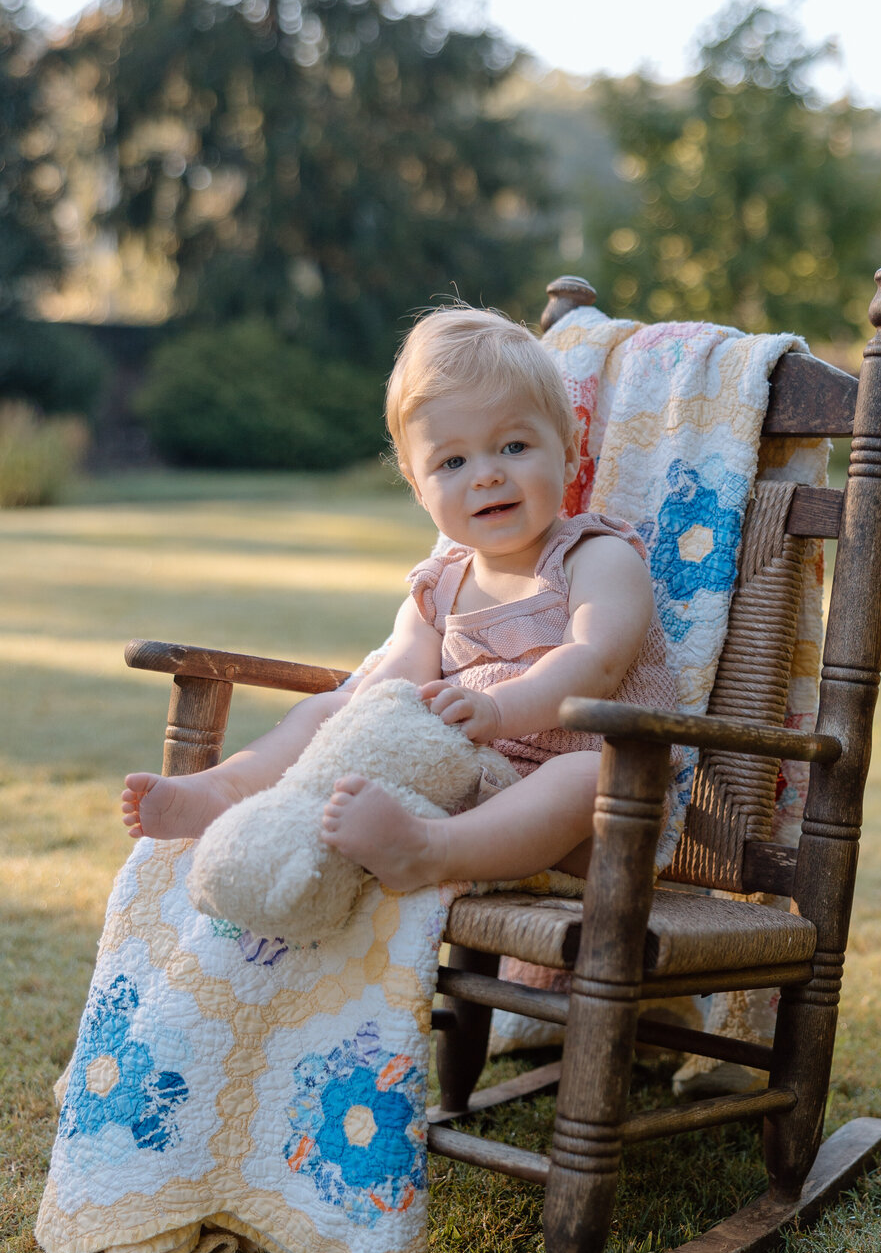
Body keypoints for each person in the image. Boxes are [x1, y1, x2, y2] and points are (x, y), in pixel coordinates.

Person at [120, 306, 678, 890]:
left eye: (514, 446)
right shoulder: (437, 590)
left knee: (586, 774)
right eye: (453, 461)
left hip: (601, 822)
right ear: (419, 488)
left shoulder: (596, 556)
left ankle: (430, 852)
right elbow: (393, 688)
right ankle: (230, 789)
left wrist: (500, 710)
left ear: (568, 454)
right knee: (334, 704)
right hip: (465, 779)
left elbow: (595, 661)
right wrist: (357, 722)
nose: (486, 475)